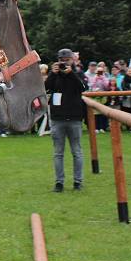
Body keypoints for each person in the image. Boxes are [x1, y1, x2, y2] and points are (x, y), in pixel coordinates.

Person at [45, 48, 86, 192]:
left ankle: (78, 182)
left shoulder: (78, 73)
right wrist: (52, 74)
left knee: (77, 152)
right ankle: (59, 182)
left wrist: (71, 74)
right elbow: (46, 88)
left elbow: (82, 88)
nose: (63, 63)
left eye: (66, 60)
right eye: (61, 60)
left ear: (72, 60)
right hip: (58, 118)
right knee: (58, 153)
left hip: (74, 118)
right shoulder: (55, 74)